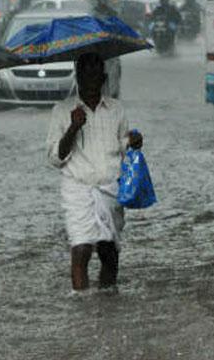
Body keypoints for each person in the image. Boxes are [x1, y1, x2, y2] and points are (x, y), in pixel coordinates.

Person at [46, 52, 143, 292]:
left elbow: (122, 147)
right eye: (84, 74)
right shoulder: (62, 110)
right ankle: (82, 305)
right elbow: (55, 158)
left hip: (110, 187)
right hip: (77, 188)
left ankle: (108, 300)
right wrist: (73, 128)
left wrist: (133, 142)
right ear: (77, 76)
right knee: (80, 249)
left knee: (109, 250)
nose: (90, 80)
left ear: (104, 78)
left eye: (94, 74)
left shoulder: (117, 109)